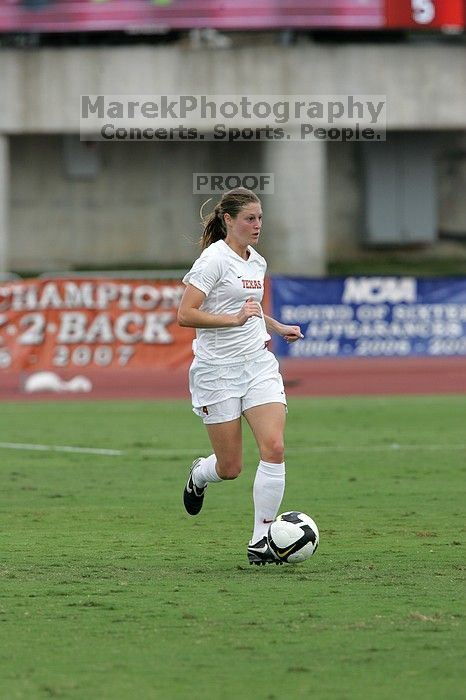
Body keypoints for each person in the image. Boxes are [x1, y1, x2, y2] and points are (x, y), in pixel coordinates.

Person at [177, 187, 303, 565]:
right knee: (230, 467)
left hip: (257, 363)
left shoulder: (256, 262)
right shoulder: (213, 260)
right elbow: (186, 314)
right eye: (250, 218)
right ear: (228, 220)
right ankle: (200, 473)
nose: (257, 225)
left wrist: (276, 325)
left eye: (260, 218)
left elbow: (248, 309)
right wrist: (230, 320)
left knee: (275, 447)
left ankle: (261, 539)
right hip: (217, 372)